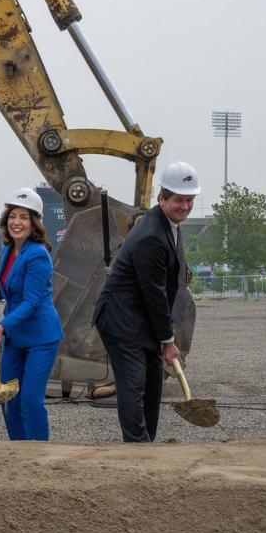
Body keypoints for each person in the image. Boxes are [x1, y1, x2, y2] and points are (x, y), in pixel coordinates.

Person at [92, 161, 199, 443]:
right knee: (134, 382)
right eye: (179, 200)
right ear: (162, 198)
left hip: (143, 318)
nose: (185, 206)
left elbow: (166, 287)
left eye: (189, 200)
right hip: (120, 318)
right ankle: (136, 445)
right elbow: (154, 292)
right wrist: (168, 340)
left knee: (153, 383)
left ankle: (147, 441)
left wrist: (165, 338)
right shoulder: (152, 235)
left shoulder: (170, 226)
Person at [0, 188, 63, 441]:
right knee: (10, 398)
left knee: (30, 399)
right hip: (16, 337)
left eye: (24, 217)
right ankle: (18, 450)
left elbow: (32, 301)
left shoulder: (38, 254)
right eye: (13, 216)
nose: (17, 222)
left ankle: (38, 451)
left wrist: (2, 325)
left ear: (35, 223)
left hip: (40, 338)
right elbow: (11, 290)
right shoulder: (9, 250)